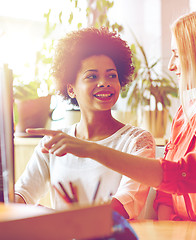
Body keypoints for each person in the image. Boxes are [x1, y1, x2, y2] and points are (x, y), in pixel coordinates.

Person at [27, 8, 196, 224]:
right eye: (92, 76)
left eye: (177, 54)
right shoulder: (185, 117)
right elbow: (166, 195)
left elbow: (182, 175)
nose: (172, 65)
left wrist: (90, 149)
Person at [15, 27, 155, 219]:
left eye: (111, 75)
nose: (104, 82)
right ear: (71, 89)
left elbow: (124, 206)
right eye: (92, 76)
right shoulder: (54, 142)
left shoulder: (137, 141)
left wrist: (54, 217)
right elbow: (22, 194)